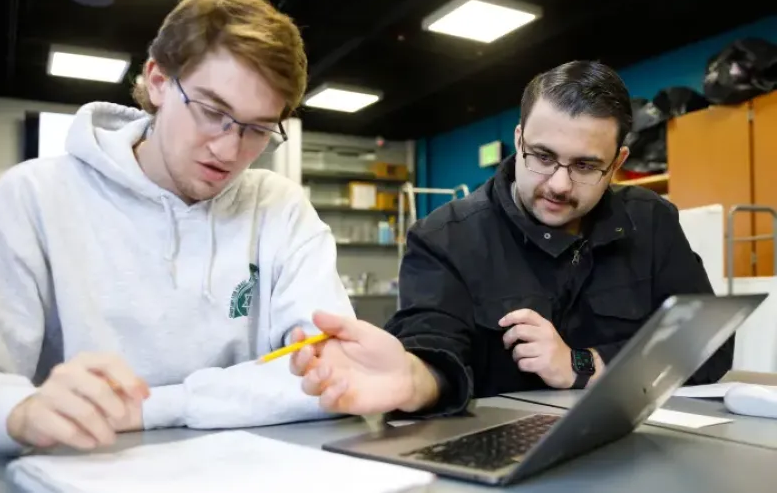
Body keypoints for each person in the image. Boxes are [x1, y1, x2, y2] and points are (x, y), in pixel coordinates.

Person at [0, 0, 354, 456]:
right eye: (212, 111)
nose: (229, 150)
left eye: (257, 129)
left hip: (247, 473)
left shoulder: (281, 208)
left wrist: (152, 408)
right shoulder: (32, 197)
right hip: (82, 471)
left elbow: (333, 370)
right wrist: (18, 410)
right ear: (157, 80)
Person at [290, 60, 731, 417]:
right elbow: (434, 347)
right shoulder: (444, 238)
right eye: (542, 157)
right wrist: (411, 377)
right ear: (519, 140)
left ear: (617, 162)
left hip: (637, 443)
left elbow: (708, 349)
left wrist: (581, 364)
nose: (559, 184)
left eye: (584, 166)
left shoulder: (651, 221)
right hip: (502, 454)